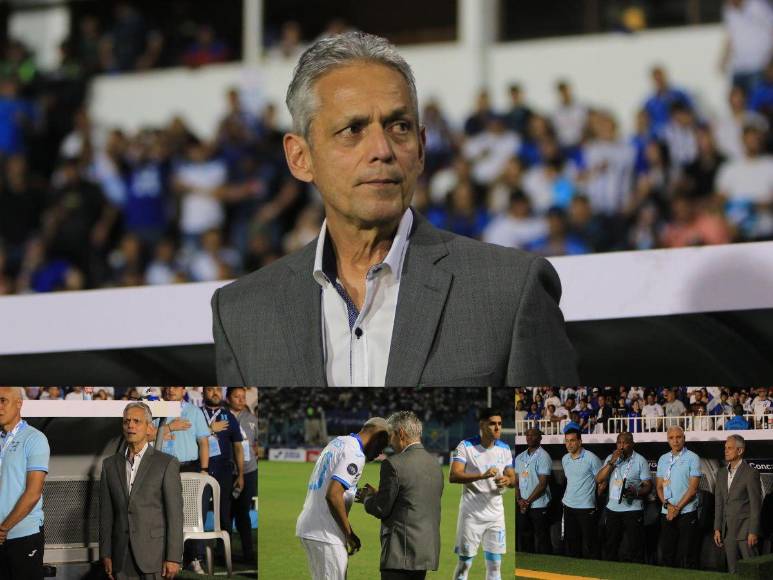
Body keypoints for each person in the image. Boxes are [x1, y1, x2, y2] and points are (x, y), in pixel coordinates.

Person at [211, 31, 578, 387]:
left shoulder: (511, 290)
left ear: (420, 149)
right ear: (300, 157)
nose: (382, 150)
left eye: (398, 126)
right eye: (353, 129)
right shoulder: (241, 314)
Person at [296, 418, 389, 580]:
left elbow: (330, 484)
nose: (380, 453)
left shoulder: (338, 442)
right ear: (378, 436)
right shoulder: (355, 454)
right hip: (325, 532)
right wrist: (349, 534)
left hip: (312, 527)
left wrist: (352, 492)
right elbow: (333, 495)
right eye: (382, 446)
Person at [99, 402, 183, 580]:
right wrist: (106, 552)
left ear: (149, 428)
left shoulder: (166, 463)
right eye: (126, 421)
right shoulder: (109, 465)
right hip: (120, 556)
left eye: (137, 421)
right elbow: (106, 515)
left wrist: (173, 557)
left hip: (154, 556)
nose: (130, 425)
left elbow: (175, 515)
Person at [359, 411, 444, 580]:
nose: (389, 442)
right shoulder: (435, 464)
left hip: (400, 552)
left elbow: (381, 508)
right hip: (425, 551)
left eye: (391, 436)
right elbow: (414, 499)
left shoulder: (393, 464)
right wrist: (381, 493)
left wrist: (367, 498)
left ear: (401, 434)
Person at [449, 408, 515, 580]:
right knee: (464, 565)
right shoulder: (466, 446)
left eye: (500, 424)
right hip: (471, 515)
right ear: (482, 425)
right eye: (493, 424)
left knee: (495, 565)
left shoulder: (505, 448)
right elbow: (454, 475)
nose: (497, 428)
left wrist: (508, 481)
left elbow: (512, 477)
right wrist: (482, 475)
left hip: (496, 516)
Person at [155, 387, 210, 574]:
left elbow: (203, 441)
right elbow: (147, 435)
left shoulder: (194, 412)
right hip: (161, 467)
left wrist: (204, 469)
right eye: (168, 386)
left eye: (176, 386)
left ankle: (194, 558)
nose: (171, 390)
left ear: (184, 389)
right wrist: (168, 428)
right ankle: (167, 556)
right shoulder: (155, 409)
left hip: (189, 466)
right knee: (164, 512)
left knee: (194, 513)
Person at [0, 387, 50, 580]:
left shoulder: (34, 438)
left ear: (19, 403)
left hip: (24, 537)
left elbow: (33, 493)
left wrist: (3, 529)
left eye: (3, 401)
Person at [200, 387, 244, 559]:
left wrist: (240, 474)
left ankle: (224, 554)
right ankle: (196, 554)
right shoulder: (196, 414)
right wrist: (210, 428)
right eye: (210, 390)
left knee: (224, 513)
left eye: (218, 390)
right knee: (198, 511)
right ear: (203, 393)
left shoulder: (228, 416)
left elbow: (238, 446)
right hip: (200, 469)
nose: (215, 393)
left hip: (223, 471)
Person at [595, 432, 652, 563]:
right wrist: (612, 462)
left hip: (633, 509)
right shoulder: (611, 458)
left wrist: (636, 492)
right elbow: (599, 479)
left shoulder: (640, 460)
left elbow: (648, 486)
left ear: (632, 444)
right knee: (611, 545)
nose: (621, 446)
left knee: (634, 546)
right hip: (612, 509)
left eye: (625, 442)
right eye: (619, 442)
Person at [714, 435, 762, 573]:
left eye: (730, 448)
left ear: (740, 451)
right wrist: (717, 528)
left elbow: (755, 505)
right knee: (733, 570)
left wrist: (753, 531)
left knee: (753, 570)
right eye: (725, 448)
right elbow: (719, 503)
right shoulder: (721, 473)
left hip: (746, 532)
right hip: (727, 531)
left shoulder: (751, 473)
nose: (726, 451)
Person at [656, 426, 702, 568]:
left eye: (678, 437)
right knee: (667, 553)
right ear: (668, 440)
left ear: (684, 438)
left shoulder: (693, 457)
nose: (675, 441)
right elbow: (659, 487)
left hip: (686, 512)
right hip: (667, 512)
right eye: (671, 438)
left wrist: (677, 508)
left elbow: (693, 489)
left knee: (687, 554)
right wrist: (667, 506)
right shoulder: (663, 459)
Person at [226, 388, 257, 564]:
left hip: (249, 471)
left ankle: (248, 554)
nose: (240, 400)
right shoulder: (221, 416)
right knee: (226, 514)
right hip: (227, 472)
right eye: (236, 396)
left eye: (242, 397)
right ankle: (224, 552)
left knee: (243, 513)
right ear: (228, 398)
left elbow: (257, 443)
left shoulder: (252, 418)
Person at [561, 429, 602, 559]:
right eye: (566, 441)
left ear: (580, 441)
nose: (569, 444)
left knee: (590, 544)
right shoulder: (565, 458)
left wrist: (594, 498)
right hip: (568, 506)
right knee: (572, 543)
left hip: (586, 507)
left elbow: (602, 481)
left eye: (572, 441)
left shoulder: (591, 458)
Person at [514, 428, 552, 555]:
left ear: (540, 438)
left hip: (538, 505)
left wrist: (527, 501)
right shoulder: (519, 457)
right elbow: (516, 482)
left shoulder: (544, 456)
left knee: (542, 537)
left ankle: (545, 566)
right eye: (527, 435)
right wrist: (519, 500)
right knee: (525, 536)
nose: (529, 437)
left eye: (533, 435)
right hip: (522, 505)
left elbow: (542, 484)